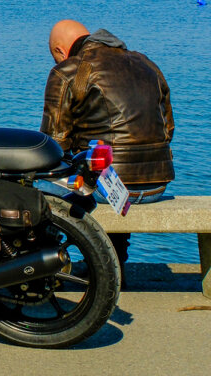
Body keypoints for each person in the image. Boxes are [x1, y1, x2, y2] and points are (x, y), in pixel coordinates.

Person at [41, 20, 175, 276]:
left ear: (60, 51)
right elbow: (168, 129)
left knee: (31, 186)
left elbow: (52, 147)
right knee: (107, 173)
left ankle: (50, 264)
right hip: (156, 185)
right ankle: (115, 267)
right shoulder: (147, 64)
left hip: (107, 189)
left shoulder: (68, 71)